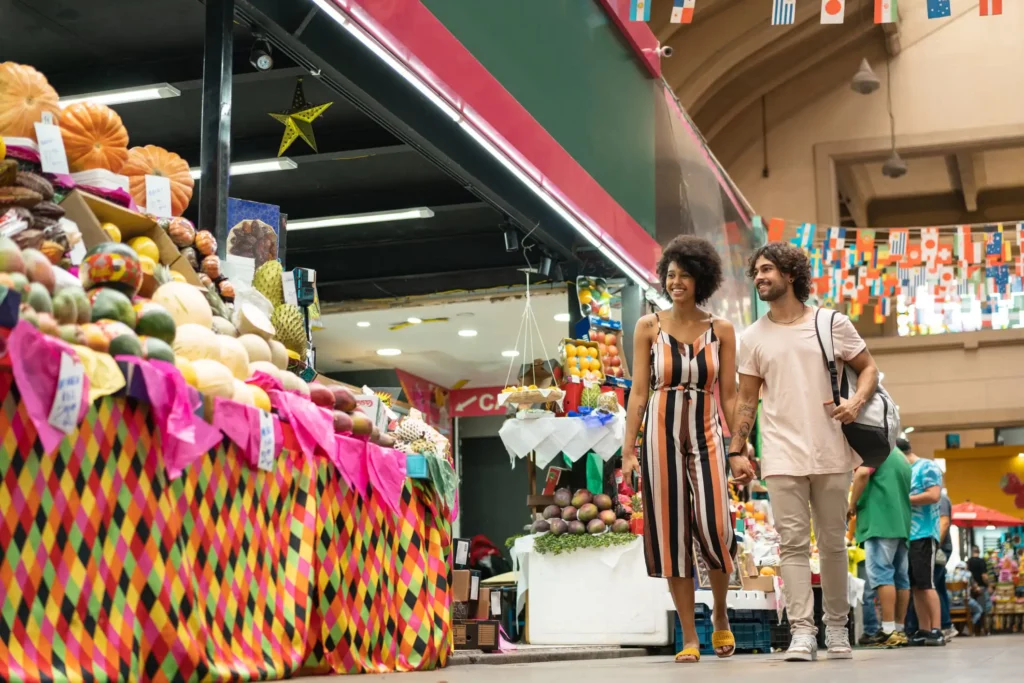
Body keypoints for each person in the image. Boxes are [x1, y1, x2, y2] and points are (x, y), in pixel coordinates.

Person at [729, 242, 879, 662]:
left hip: (832, 448)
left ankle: (836, 629)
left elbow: (869, 368)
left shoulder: (831, 323)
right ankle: (800, 632)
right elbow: (746, 399)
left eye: (767, 269)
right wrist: (736, 450)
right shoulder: (752, 337)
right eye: (755, 271)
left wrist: (857, 402)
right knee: (791, 545)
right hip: (780, 453)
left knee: (832, 543)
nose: (759, 277)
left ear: (790, 274)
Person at [621, 235, 743, 664]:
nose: (676, 282)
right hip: (658, 433)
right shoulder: (648, 327)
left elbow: (729, 395)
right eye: (670, 275)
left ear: (701, 279)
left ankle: (722, 615)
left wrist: (740, 445)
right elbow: (638, 393)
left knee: (717, 527)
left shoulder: (722, 330)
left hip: (707, 431)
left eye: (685, 275)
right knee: (671, 533)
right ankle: (690, 636)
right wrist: (628, 451)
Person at [848, 446, 912, 648]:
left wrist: (851, 504)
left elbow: (863, 473)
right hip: (901, 523)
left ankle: (887, 630)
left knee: (882, 575)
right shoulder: (901, 457)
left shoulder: (876, 451)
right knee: (901, 579)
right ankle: (899, 630)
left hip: (879, 522)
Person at [903, 438, 946, 646]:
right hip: (909, 535)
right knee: (916, 586)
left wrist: (904, 499)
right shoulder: (906, 470)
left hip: (924, 533)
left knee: (927, 584)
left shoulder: (926, 466)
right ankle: (924, 629)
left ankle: (938, 629)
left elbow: (934, 495)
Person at [937, 493, 955, 639]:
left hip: (940, 547)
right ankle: (946, 624)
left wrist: (935, 545)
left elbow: (944, 523)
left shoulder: (940, 498)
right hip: (941, 546)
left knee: (932, 586)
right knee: (939, 585)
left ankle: (945, 624)